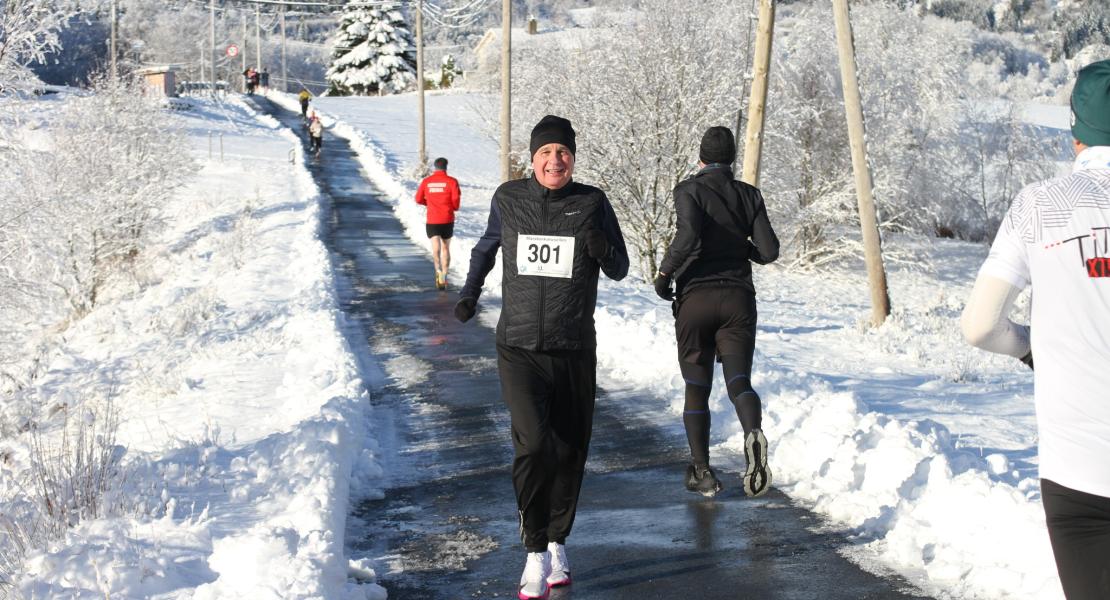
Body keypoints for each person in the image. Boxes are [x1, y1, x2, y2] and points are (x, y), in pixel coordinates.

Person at [454, 115, 629, 599]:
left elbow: (620, 267)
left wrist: (601, 248)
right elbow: (486, 249)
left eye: (563, 152)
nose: (555, 160)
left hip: (574, 349)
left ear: (573, 157)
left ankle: (557, 542)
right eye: (546, 152)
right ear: (532, 159)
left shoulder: (592, 202)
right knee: (533, 446)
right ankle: (534, 550)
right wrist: (469, 293)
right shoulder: (509, 199)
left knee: (569, 450)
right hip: (520, 348)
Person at [961, 59, 1110, 600]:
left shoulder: (1040, 206)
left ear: (1076, 134)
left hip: (1078, 471)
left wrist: (1031, 349)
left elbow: (979, 326)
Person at [653, 126, 779, 499]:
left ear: (701, 157)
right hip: (738, 300)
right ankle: (753, 432)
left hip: (696, 299)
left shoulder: (688, 190)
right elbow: (769, 250)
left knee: (697, 387)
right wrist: (743, 248)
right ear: (732, 158)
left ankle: (702, 472)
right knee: (739, 381)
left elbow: (688, 237)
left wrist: (664, 274)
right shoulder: (749, 194)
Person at [415, 157, 462, 290]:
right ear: (446, 167)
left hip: (433, 219)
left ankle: (438, 272)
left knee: (436, 247)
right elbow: (456, 200)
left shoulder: (427, 181)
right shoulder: (452, 181)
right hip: (447, 219)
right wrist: (453, 207)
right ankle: (444, 277)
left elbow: (418, 199)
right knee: (446, 248)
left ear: (434, 167)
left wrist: (428, 203)